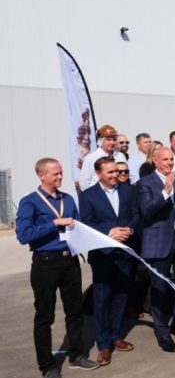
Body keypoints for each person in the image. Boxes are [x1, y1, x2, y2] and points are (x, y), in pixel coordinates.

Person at [16, 158, 99, 377]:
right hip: (45, 263)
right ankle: (47, 366)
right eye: (55, 174)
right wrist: (53, 223)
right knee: (45, 315)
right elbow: (23, 236)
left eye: (61, 173)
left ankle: (77, 355)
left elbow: (79, 228)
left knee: (74, 310)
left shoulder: (68, 199)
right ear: (41, 175)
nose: (60, 177)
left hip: (69, 261)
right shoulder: (30, 202)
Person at [79, 157, 140, 366]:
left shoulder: (127, 191)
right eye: (110, 172)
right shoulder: (88, 196)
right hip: (103, 255)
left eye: (116, 171)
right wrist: (109, 232)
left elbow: (136, 215)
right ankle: (104, 344)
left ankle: (115, 336)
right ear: (98, 174)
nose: (115, 175)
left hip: (125, 253)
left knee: (121, 296)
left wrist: (130, 229)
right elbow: (87, 222)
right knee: (102, 299)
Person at [137, 147, 175, 353]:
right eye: (165, 160)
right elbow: (146, 212)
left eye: (171, 159)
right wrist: (165, 192)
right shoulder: (145, 183)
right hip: (159, 242)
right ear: (155, 161)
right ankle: (162, 333)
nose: (169, 163)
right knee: (160, 288)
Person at [79, 124, 127, 191]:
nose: (112, 142)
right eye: (109, 140)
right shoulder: (91, 158)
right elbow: (84, 183)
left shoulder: (120, 156)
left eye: (114, 139)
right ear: (101, 141)